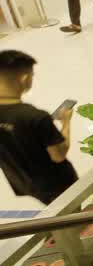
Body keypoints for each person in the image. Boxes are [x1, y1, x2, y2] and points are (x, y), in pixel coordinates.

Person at [0, 51, 77, 205]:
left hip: (23, 181)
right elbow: (58, 155)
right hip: (57, 185)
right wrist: (66, 122)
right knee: (72, 218)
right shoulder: (35, 117)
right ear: (24, 78)